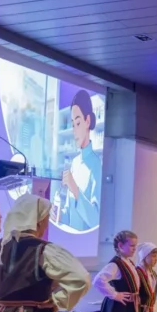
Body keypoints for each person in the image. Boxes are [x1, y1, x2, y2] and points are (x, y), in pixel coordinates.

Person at [55, 90, 100, 232]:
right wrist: (58, 215)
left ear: (88, 121)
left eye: (78, 123)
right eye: (73, 124)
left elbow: (95, 221)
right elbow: (70, 214)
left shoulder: (97, 164)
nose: (74, 130)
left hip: (87, 242)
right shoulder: (74, 163)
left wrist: (74, 188)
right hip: (70, 239)